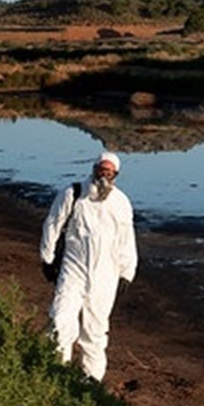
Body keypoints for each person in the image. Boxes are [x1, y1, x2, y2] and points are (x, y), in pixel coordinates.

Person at [40, 151, 137, 382]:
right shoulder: (73, 194)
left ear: (116, 175)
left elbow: (126, 238)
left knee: (95, 330)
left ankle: (90, 381)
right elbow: (53, 224)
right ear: (94, 169)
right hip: (73, 269)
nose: (105, 175)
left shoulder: (121, 202)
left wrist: (127, 272)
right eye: (101, 170)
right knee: (61, 319)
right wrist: (47, 257)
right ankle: (57, 373)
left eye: (110, 172)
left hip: (106, 274)